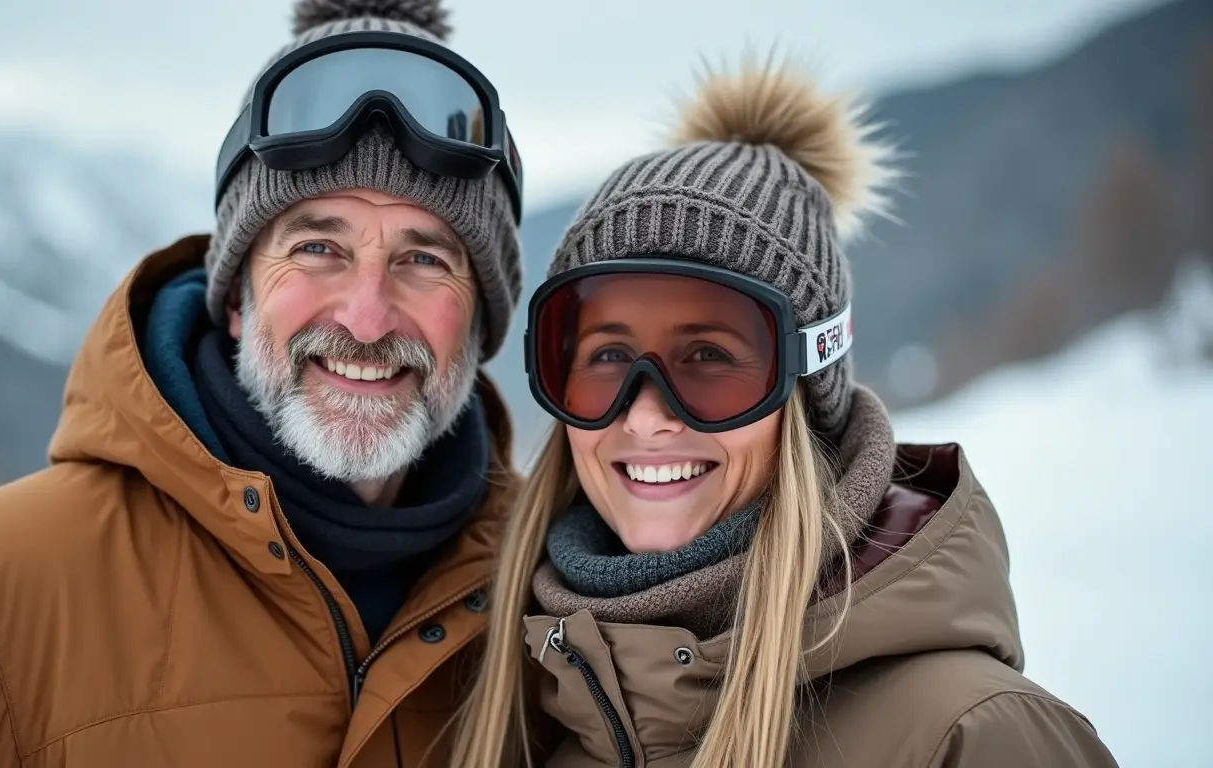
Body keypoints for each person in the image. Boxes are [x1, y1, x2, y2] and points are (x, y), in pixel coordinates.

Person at [0, 1, 530, 765]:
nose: (366, 320)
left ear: (478, 322)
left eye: (424, 259)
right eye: (317, 248)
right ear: (235, 297)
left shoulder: (550, 609)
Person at [449, 59, 1122, 768]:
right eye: (607, 358)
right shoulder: (546, 715)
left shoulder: (970, 738)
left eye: (708, 357)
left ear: (808, 388)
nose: (646, 417)